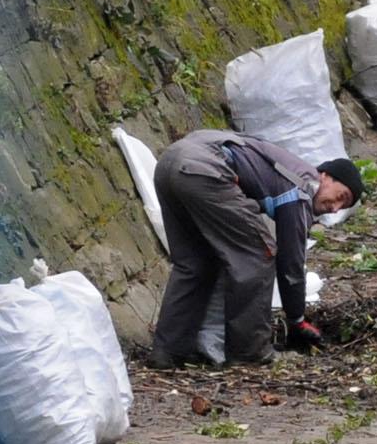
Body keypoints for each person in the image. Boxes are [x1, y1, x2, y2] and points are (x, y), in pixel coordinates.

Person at [148, 130, 360, 366]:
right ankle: (250, 354)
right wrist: (297, 320)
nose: (335, 208)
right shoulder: (303, 187)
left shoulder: (280, 169)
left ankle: (167, 353)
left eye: (343, 207)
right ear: (325, 176)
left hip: (170, 163)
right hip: (206, 170)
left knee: (195, 263)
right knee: (259, 255)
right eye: (341, 196)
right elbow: (291, 262)